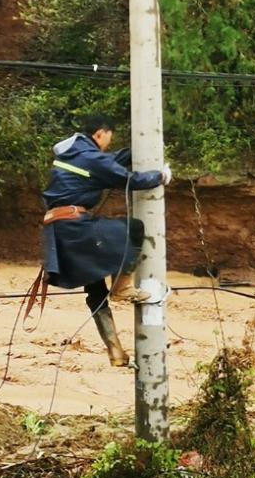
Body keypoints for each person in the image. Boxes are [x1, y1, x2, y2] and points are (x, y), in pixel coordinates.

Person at [42, 113, 171, 367]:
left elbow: (109, 162)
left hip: (60, 229)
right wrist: (160, 177)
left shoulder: (76, 155)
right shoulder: (89, 157)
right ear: (99, 134)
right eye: (108, 139)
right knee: (133, 229)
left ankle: (115, 352)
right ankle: (122, 287)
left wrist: (139, 151)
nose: (108, 144)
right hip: (75, 225)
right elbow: (126, 179)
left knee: (95, 291)